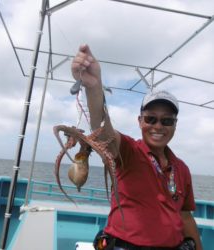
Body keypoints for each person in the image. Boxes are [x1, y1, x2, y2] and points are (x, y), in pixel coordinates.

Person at [71, 44, 202, 250]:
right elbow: (103, 133)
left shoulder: (182, 169)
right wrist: (94, 87)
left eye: (167, 121)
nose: (158, 126)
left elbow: (185, 216)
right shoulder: (128, 152)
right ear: (140, 121)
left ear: (175, 125)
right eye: (151, 119)